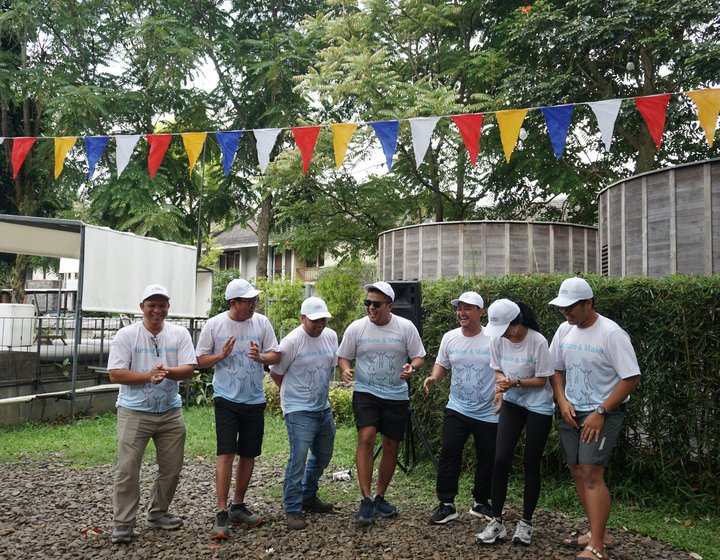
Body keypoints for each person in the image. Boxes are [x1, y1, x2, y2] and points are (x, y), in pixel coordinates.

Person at [548, 277, 641, 560]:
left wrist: (601, 412)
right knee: (577, 469)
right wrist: (562, 400)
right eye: (562, 308)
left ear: (588, 303)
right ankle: (597, 533)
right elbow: (556, 369)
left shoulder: (611, 333)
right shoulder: (564, 330)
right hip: (572, 411)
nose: (565, 313)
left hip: (601, 413)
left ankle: (598, 546)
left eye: (570, 307)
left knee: (591, 473)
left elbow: (631, 377)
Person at [108, 284, 197, 544]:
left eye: (162, 305)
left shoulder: (179, 334)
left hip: (170, 411)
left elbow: (189, 368)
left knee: (172, 468)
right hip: (134, 411)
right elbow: (116, 374)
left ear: (168, 307)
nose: (157, 310)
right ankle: (124, 522)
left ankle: (158, 513)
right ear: (142, 307)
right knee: (128, 468)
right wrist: (149, 375)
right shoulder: (126, 335)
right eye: (152, 305)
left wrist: (165, 372)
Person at [195, 278, 278, 540]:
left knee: (249, 453)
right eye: (248, 301)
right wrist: (221, 355)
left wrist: (262, 357)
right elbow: (199, 360)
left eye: (255, 301)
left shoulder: (262, 322)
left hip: (254, 398)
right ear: (233, 303)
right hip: (226, 398)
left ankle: (238, 505)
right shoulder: (215, 324)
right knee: (226, 452)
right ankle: (221, 511)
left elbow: (276, 354)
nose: (254, 305)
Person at [337, 281, 426, 526]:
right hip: (366, 392)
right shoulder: (357, 328)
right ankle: (365, 499)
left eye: (376, 304)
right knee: (366, 437)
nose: (371, 308)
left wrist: (412, 367)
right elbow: (343, 356)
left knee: (390, 444)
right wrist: (345, 370)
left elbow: (419, 356)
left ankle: (379, 497)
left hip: (396, 395)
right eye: (367, 303)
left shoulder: (405, 327)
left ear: (390, 306)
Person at [476, 299, 554, 546]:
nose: (505, 335)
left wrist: (515, 383)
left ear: (518, 321)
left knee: (531, 462)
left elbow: (542, 380)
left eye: (507, 329)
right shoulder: (497, 340)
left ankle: (526, 523)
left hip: (539, 406)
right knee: (500, 460)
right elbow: (497, 369)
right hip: (512, 403)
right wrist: (502, 385)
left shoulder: (538, 341)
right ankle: (496, 521)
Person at [256, 296, 339, 530]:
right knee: (298, 458)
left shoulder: (331, 336)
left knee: (324, 454)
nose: (319, 324)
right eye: (314, 321)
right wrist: (292, 397)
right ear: (303, 318)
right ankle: (292, 508)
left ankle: (308, 495)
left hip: (322, 407)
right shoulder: (292, 341)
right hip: (298, 410)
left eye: (323, 320)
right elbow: (275, 373)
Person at [423, 291, 498, 526]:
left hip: (488, 411)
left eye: (467, 308)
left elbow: (502, 369)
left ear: (481, 312)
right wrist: (434, 378)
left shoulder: (493, 338)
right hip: (457, 408)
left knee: (488, 457)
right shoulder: (450, 337)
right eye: (459, 308)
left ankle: (480, 502)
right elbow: (441, 364)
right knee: (449, 452)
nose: (461, 313)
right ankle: (446, 504)